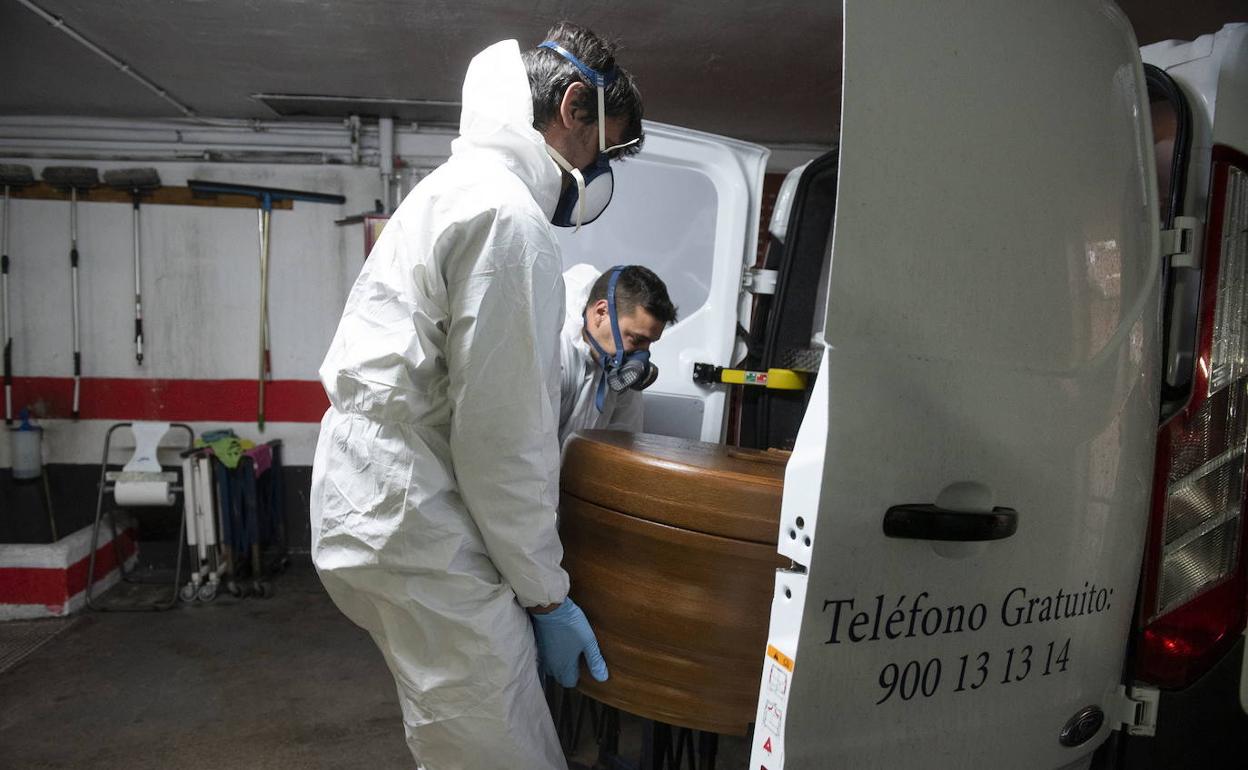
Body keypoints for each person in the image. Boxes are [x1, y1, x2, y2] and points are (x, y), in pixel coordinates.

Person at [309, 23, 643, 770]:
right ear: (573, 107)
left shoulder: (458, 188)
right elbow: (502, 440)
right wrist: (547, 596)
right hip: (412, 512)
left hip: (378, 494)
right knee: (496, 746)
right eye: (604, 146)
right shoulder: (509, 220)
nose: (597, 171)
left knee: (463, 729)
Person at [559, 263, 677, 446]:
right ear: (601, 313)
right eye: (636, 339)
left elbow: (622, 445)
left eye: (649, 343)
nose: (642, 356)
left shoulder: (622, 373)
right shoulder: (557, 354)